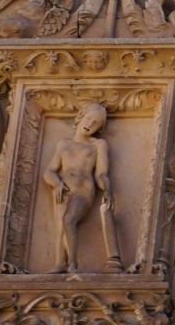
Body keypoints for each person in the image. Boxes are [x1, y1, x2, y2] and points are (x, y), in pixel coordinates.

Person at [45, 102, 119, 273]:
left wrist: (107, 190)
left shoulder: (98, 145)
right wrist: (56, 183)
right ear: (80, 117)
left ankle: (73, 264)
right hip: (63, 188)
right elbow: (49, 171)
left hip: (83, 189)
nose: (90, 125)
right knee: (60, 226)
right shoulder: (63, 144)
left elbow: (101, 173)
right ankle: (60, 263)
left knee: (68, 220)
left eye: (96, 123)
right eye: (88, 119)